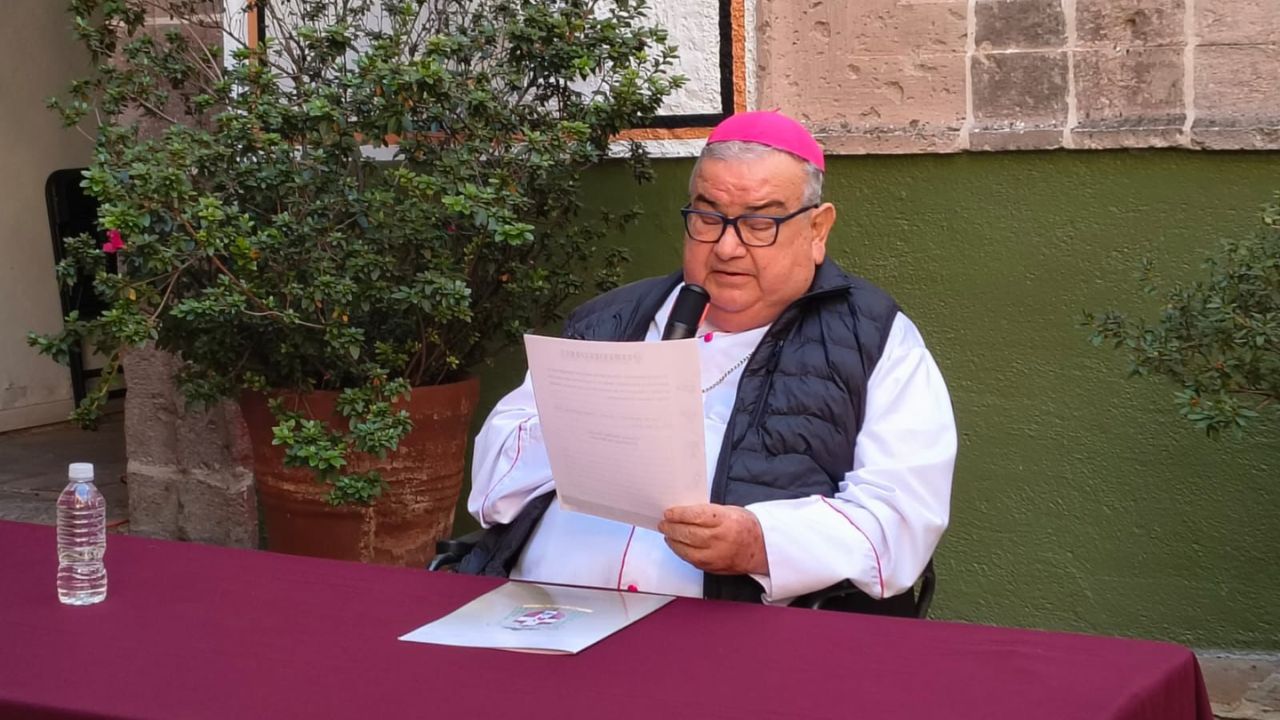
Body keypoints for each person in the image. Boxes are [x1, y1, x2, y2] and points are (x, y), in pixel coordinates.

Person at [461, 111, 956, 614]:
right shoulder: (611, 319)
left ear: (817, 229)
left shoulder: (873, 339)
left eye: (759, 223)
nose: (727, 247)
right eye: (708, 218)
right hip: (544, 614)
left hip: (736, 637)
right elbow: (493, 480)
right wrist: (582, 426)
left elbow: (901, 516)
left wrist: (760, 541)